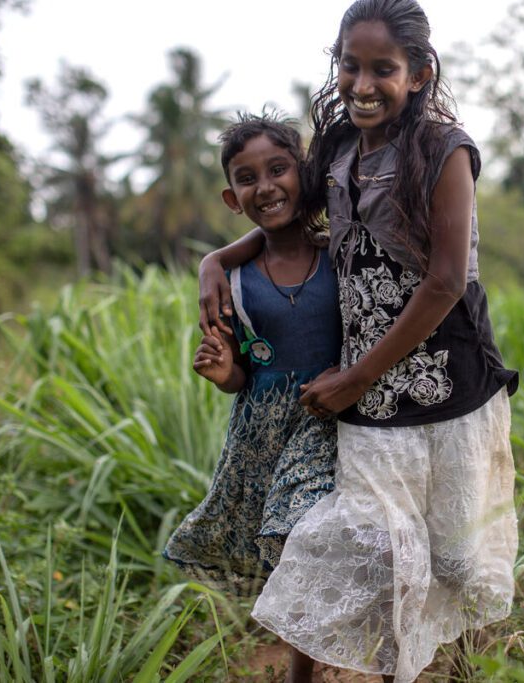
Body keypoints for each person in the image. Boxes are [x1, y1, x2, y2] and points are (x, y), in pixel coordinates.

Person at [198, 1, 519, 680]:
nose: (363, 83)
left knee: (455, 559)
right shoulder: (340, 147)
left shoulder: (443, 149)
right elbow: (283, 215)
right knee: (367, 544)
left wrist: (356, 375)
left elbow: (445, 283)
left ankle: (448, 660)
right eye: (351, 65)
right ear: (336, 66)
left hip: (450, 387)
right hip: (370, 404)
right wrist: (216, 261)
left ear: (420, 72)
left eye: (383, 68)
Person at [164, 112, 340, 682]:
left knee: (307, 532)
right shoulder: (235, 282)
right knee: (290, 557)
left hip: (331, 419)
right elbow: (244, 370)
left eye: (278, 169)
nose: (265, 187)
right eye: (247, 178)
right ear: (231, 197)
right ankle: (302, 669)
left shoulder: (340, 255)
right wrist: (224, 373)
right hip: (262, 431)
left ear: (303, 173)